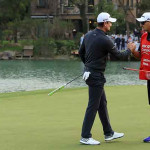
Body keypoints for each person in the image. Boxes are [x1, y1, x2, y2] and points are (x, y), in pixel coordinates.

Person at [79, 12, 132, 145]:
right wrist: (130, 49)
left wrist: (87, 66)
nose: (111, 25)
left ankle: (109, 133)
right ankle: (85, 136)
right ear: (105, 23)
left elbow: (81, 53)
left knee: (102, 103)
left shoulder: (88, 35)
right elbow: (120, 56)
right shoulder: (105, 39)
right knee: (93, 105)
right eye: (110, 23)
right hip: (95, 76)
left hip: (90, 73)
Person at [128, 12, 150, 143]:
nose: (141, 25)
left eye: (143, 22)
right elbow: (140, 56)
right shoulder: (144, 36)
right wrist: (132, 51)